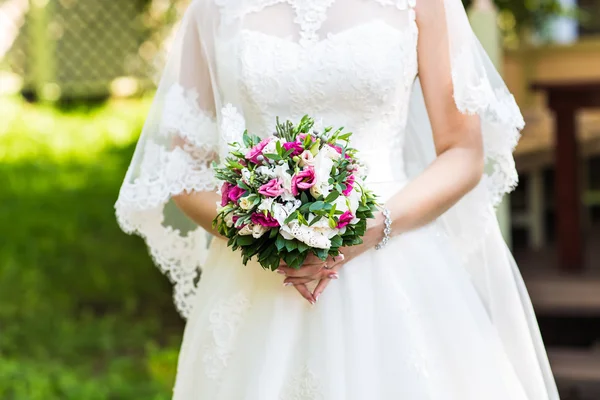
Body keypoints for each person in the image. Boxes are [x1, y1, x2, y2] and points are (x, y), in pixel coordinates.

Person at [115, 0, 560, 398]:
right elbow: (186, 172)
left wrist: (369, 228)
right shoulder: (213, 8)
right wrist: (264, 232)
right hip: (259, 275)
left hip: (396, 259)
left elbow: (463, 152)